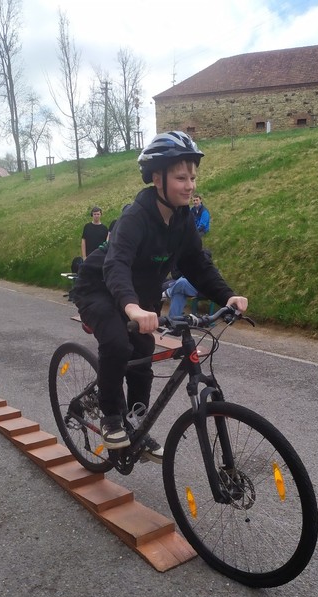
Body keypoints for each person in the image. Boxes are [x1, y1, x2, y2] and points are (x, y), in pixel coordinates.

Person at [71, 131, 248, 460]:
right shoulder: (135, 217)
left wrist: (227, 296)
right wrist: (132, 308)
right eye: (181, 178)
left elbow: (197, 264)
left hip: (140, 297)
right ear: (157, 178)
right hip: (99, 287)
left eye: (193, 177)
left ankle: (136, 423)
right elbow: (117, 264)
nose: (190, 185)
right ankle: (111, 417)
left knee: (143, 352)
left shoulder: (182, 221)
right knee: (117, 344)